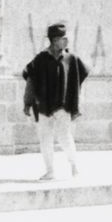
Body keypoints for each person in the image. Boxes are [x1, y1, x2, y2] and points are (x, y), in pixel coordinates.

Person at [22, 21, 90, 181]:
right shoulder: (41, 58)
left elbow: (82, 73)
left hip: (62, 105)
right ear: (53, 40)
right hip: (44, 106)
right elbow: (30, 78)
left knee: (65, 137)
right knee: (45, 139)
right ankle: (50, 171)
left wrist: (73, 93)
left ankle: (74, 168)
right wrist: (27, 102)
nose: (66, 41)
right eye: (62, 38)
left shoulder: (71, 58)